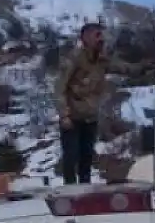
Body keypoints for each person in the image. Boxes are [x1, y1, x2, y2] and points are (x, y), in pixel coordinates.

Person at [54, 22, 148, 185]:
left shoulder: (101, 60)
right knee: (71, 157)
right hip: (72, 118)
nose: (101, 39)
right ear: (85, 37)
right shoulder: (73, 59)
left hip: (90, 116)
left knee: (87, 157)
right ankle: (69, 190)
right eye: (97, 35)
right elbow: (59, 89)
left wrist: (141, 68)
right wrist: (64, 115)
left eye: (102, 35)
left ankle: (84, 189)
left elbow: (121, 67)